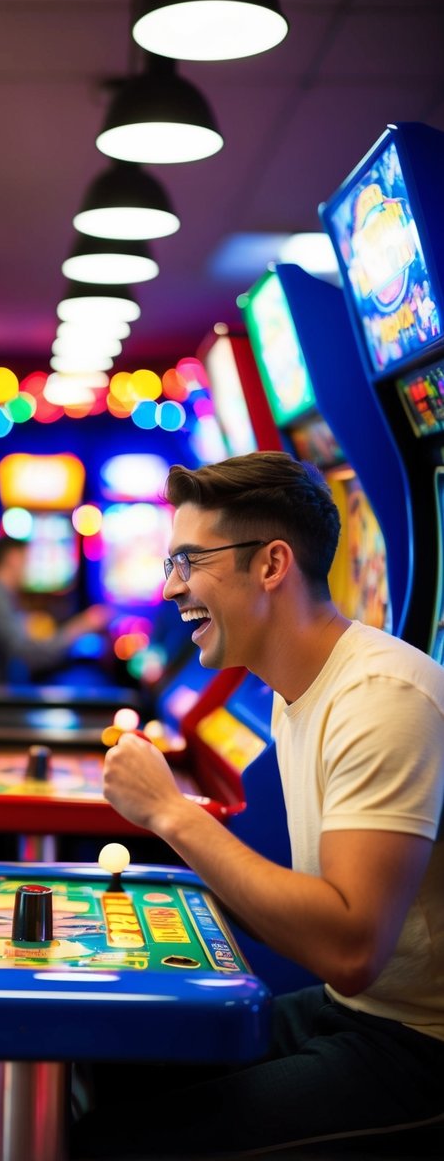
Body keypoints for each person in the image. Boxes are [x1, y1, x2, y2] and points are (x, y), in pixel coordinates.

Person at [76, 451, 444, 1158]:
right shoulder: (292, 686)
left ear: (270, 565)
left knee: (120, 1141)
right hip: (352, 1011)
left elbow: (349, 947)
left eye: (188, 560)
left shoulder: (382, 697)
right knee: (108, 1061)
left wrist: (170, 813)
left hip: (417, 1044)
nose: (170, 589)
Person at [0, 534, 110, 688]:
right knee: (85, 681)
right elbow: (27, 655)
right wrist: (80, 626)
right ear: (13, 558)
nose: (30, 568)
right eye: (27, 560)